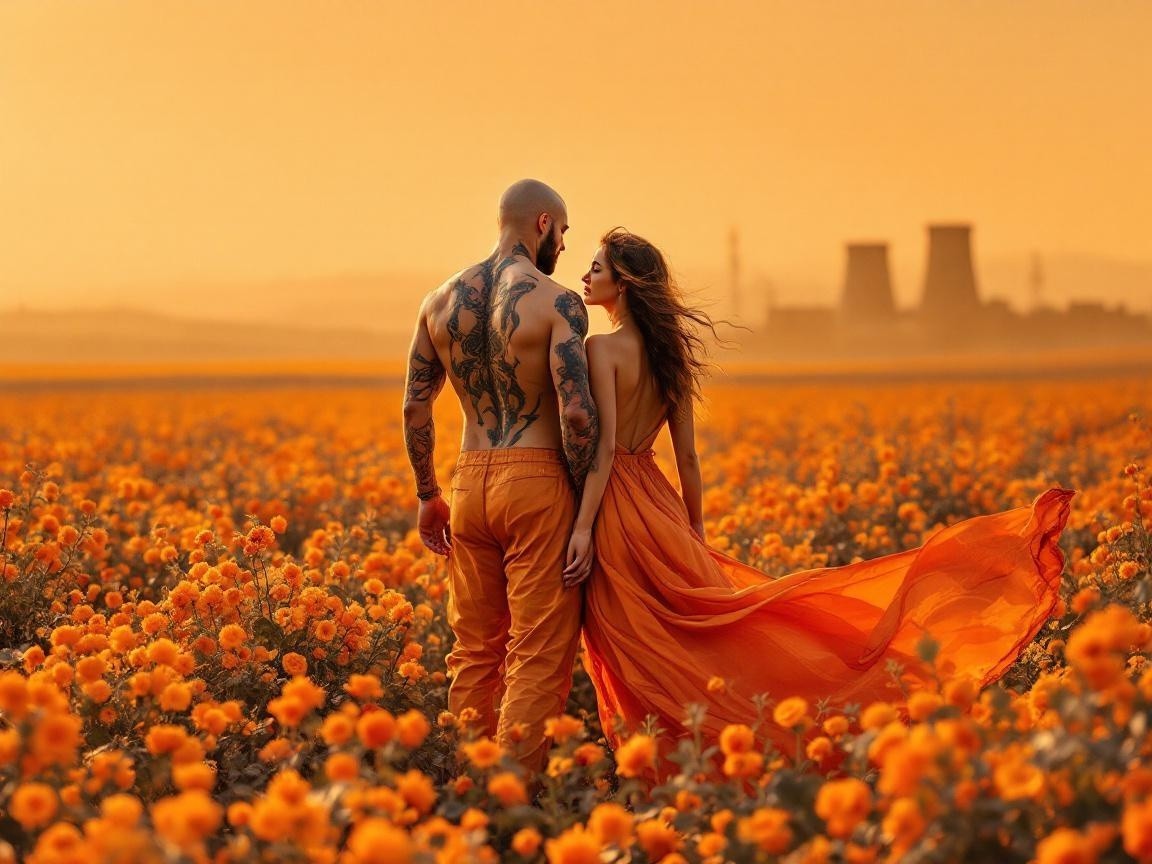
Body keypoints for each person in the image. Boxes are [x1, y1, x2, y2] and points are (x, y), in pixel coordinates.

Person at [564, 227, 1074, 757]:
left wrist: (582, 530)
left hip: (619, 508)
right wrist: (694, 529)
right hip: (659, 504)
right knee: (697, 635)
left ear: (624, 284)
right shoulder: (669, 356)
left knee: (639, 646)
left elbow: (603, 452)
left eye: (597, 269)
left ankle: (670, 762)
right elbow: (688, 459)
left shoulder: (601, 348)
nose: (586, 276)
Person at [402, 179, 599, 772]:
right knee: (537, 651)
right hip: (538, 480)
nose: (563, 247)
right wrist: (586, 495)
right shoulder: (557, 301)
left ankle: (471, 782)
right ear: (543, 224)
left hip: (468, 482)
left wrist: (427, 493)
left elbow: (415, 406)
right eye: (562, 233)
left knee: (473, 650)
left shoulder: (438, 301)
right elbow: (575, 410)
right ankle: (516, 791)